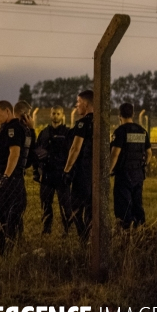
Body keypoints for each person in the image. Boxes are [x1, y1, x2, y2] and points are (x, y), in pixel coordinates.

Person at [0, 100, 35, 255]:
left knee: (0, 212)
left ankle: (5, 248)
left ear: (8, 111)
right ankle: (7, 248)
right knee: (7, 214)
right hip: (11, 178)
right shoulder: (9, 128)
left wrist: (5, 177)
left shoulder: (13, 129)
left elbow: (14, 154)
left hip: (10, 179)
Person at [110, 103, 153, 229]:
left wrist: (108, 170)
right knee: (137, 203)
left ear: (120, 115)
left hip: (124, 174)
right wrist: (143, 164)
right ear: (133, 114)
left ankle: (127, 230)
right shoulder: (142, 131)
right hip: (138, 174)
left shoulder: (120, 131)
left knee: (123, 204)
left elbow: (115, 154)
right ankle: (140, 228)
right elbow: (149, 153)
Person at [33, 106, 72, 235]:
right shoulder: (44, 133)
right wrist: (36, 171)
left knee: (65, 204)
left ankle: (67, 229)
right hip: (47, 174)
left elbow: (71, 153)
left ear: (62, 115)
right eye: (53, 113)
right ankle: (46, 229)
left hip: (62, 173)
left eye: (58, 114)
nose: (55, 116)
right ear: (50, 115)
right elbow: (36, 152)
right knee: (45, 203)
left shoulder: (67, 133)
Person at [63, 90, 94, 243]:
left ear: (86, 104)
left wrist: (67, 169)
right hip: (95, 173)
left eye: (78, 102)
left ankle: (83, 239)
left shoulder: (83, 123)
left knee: (75, 208)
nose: (76, 105)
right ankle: (91, 241)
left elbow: (75, 148)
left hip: (82, 171)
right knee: (91, 208)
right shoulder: (101, 123)